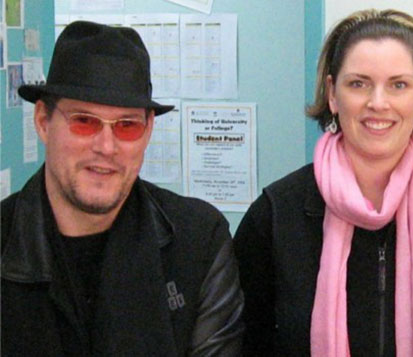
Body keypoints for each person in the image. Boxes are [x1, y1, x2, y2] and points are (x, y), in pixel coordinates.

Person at [233, 9, 413, 356]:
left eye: (398, 85)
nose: (377, 103)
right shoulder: (276, 214)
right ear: (333, 94)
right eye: (358, 84)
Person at [1, 21, 243, 355]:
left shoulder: (199, 242)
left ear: (148, 131)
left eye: (127, 126)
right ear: (43, 121)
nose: (106, 146)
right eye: (84, 121)